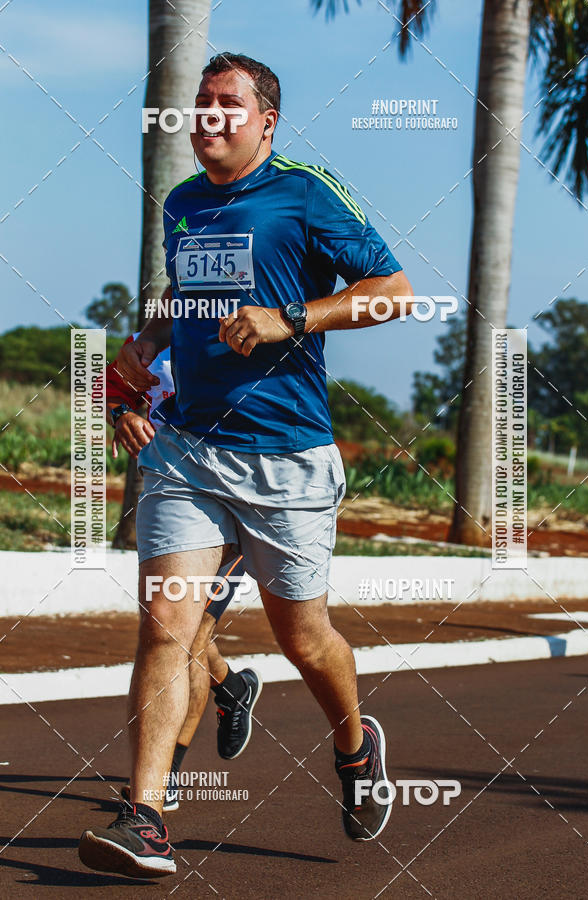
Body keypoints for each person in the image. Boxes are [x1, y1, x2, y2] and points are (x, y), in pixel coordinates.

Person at [79, 51, 413, 879]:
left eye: (228, 104)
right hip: (188, 450)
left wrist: (290, 317)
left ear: (266, 120)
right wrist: (137, 363)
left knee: (304, 639)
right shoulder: (185, 203)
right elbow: (177, 296)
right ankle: (145, 818)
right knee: (166, 623)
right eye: (200, 105)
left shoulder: (304, 191)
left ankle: (353, 742)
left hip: (288, 458)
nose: (209, 117)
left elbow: (394, 290)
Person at [106, 338, 262, 811]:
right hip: (174, 505)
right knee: (172, 631)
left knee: (191, 638)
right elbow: (110, 389)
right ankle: (233, 688)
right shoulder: (149, 344)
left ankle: (166, 776)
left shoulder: (245, 337)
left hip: (232, 516)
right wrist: (123, 417)